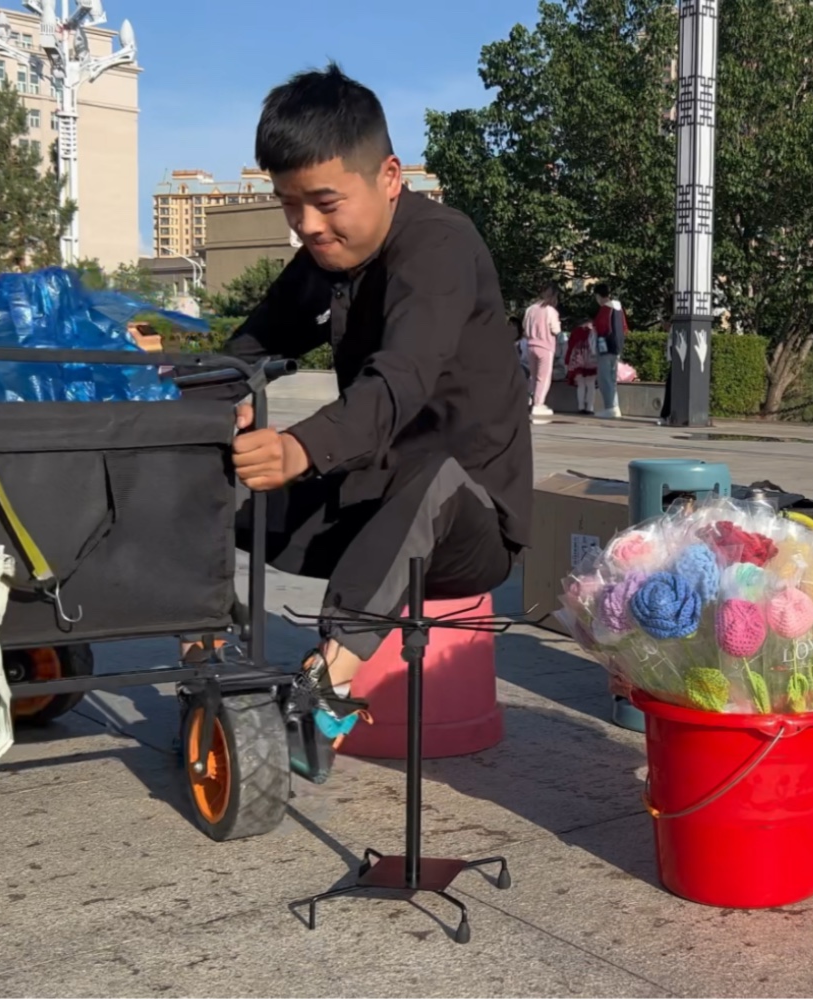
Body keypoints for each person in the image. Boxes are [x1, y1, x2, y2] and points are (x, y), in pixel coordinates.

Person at [194, 63, 532, 737]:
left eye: (325, 201)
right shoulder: (326, 258)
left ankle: (323, 688)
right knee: (202, 471)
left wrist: (299, 445)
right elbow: (249, 347)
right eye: (290, 205)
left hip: (469, 527)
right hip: (365, 508)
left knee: (430, 474)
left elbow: (400, 378)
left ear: (388, 176)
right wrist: (200, 400)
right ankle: (204, 636)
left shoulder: (439, 246)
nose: (307, 226)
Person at [522, 284, 562, 423]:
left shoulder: (530, 310)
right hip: (545, 346)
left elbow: (525, 330)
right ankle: (538, 405)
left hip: (531, 345)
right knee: (543, 377)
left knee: (533, 377)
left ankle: (531, 401)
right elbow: (555, 329)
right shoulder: (550, 311)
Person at [591, 283, 626, 419]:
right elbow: (624, 327)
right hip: (616, 347)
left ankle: (610, 407)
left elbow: (600, 327)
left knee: (604, 378)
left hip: (605, 347)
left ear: (598, 296)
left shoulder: (605, 309)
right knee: (612, 378)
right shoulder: (618, 308)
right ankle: (614, 406)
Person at [564, 319, 599, 415]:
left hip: (577, 360)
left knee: (581, 384)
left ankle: (581, 407)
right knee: (591, 384)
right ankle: (590, 407)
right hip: (592, 360)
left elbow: (570, 347)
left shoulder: (575, 332)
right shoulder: (595, 331)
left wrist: (567, 362)